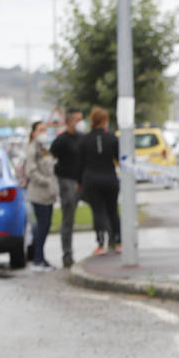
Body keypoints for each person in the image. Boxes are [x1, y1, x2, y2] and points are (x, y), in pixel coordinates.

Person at [79, 106, 121, 255]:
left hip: (91, 179)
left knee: (98, 211)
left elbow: (81, 162)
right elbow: (120, 158)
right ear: (104, 121)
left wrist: (80, 182)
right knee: (112, 210)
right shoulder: (112, 138)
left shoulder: (85, 139)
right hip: (109, 178)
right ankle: (117, 241)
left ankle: (100, 243)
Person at [50, 109, 85, 268]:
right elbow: (52, 156)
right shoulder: (61, 140)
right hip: (68, 182)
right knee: (68, 218)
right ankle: (67, 254)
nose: (80, 122)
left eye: (81, 119)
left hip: (83, 180)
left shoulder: (82, 138)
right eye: (77, 119)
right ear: (69, 122)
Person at [22, 120, 58, 270]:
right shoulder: (32, 149)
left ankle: (40, 257)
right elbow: (30, 171)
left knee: (44, 226)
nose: (44, 133)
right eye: (40, 130)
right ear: (33, 133)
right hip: (38, 194)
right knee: (42, 227)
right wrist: (46, 181)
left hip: (47, 195)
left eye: (45, 129)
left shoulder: (43, 148)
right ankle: (37, 259)